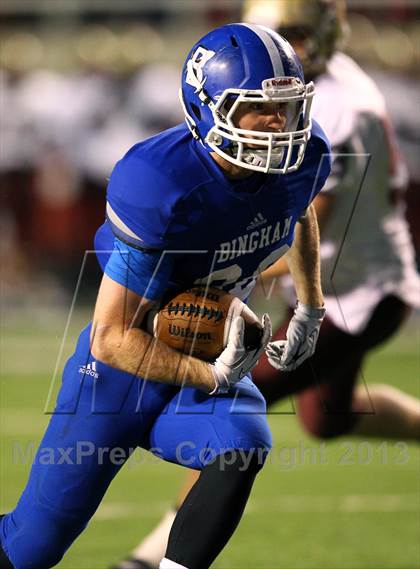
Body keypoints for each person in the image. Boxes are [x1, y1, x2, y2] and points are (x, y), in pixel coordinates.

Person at [0, 23, 331, 569]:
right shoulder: (159, 180)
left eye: (289, 108)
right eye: (258, 109)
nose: (279, 125)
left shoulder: (303, 157)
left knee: (241, 442)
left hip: (203, 360)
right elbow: (110, 338)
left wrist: (312, 306)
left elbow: (300, 217)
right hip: (118, 376)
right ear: (209, 108)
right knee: (31, 548)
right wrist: (215, 376)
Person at [114, 3, 420, 568]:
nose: (291, 49)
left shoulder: (340, 107)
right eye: (282, 36)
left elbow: (302, 220)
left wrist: (204, 273)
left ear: (328, 33)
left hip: (363, 292)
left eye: (299, 34)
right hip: (354, 282)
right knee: (327, 419)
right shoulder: (305, 91)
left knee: (226, 408)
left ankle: (151, 557)